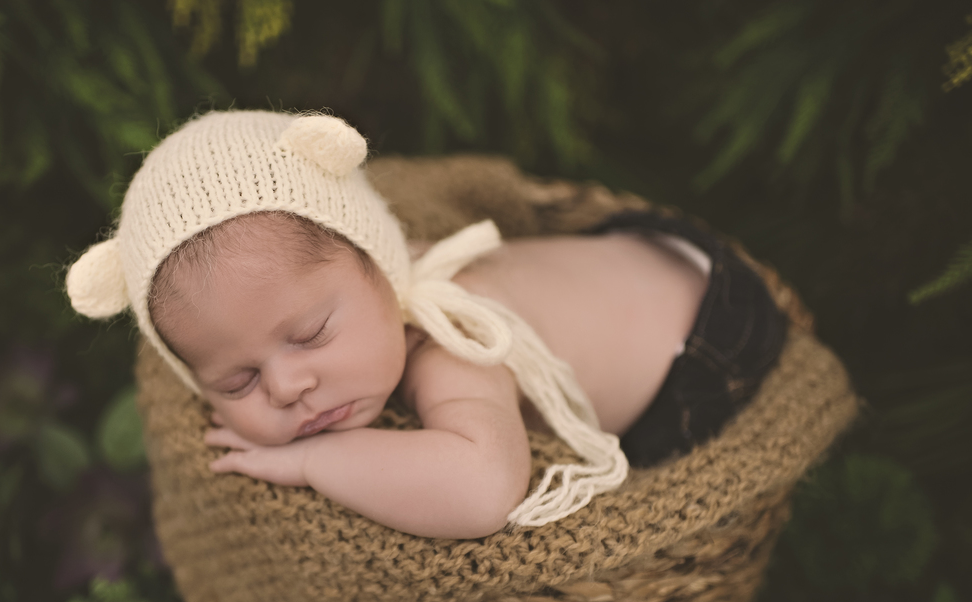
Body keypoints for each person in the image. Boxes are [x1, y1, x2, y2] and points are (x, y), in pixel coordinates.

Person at [65, 110, 785, 539]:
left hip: (705, 340)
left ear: (383, 267)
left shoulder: (452, 343)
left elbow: (481, 491)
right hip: (640, 257)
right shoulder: (354, 288)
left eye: (312, 334)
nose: (288, 386)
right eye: (236, 379)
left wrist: (313, 463)